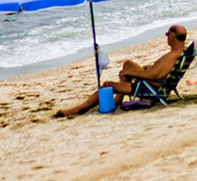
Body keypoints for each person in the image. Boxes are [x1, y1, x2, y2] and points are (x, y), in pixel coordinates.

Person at [55, 25, 188, 117]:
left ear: (172, 36)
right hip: (154, 83)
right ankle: (118, 100)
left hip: (150, 88)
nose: (167, 37)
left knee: (108, 86)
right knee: (128, 64)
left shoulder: (172, 56)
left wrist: (129, 74)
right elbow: (158, 72)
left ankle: (78, 109)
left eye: (167, 34)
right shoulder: (179, 53)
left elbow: (152, 75)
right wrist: (144, 68)